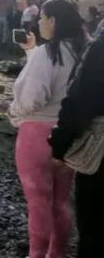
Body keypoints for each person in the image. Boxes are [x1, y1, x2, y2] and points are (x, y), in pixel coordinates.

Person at [9, 0, 88, 258]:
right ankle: (57, 254)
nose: (39, 22)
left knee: (38, 203)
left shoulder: (48, 53)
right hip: (69, 135)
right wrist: (31, 51)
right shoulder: (84, 51)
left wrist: (13, 111)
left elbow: (33, 97)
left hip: (36, 135)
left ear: (53, 21)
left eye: (42, 17)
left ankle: (36, 253)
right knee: (61, 202)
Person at [49, 33, 104, 257]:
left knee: (95, 229)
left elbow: (80, 99)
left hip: (100, 159)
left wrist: (61, 145)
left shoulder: (99, 48)